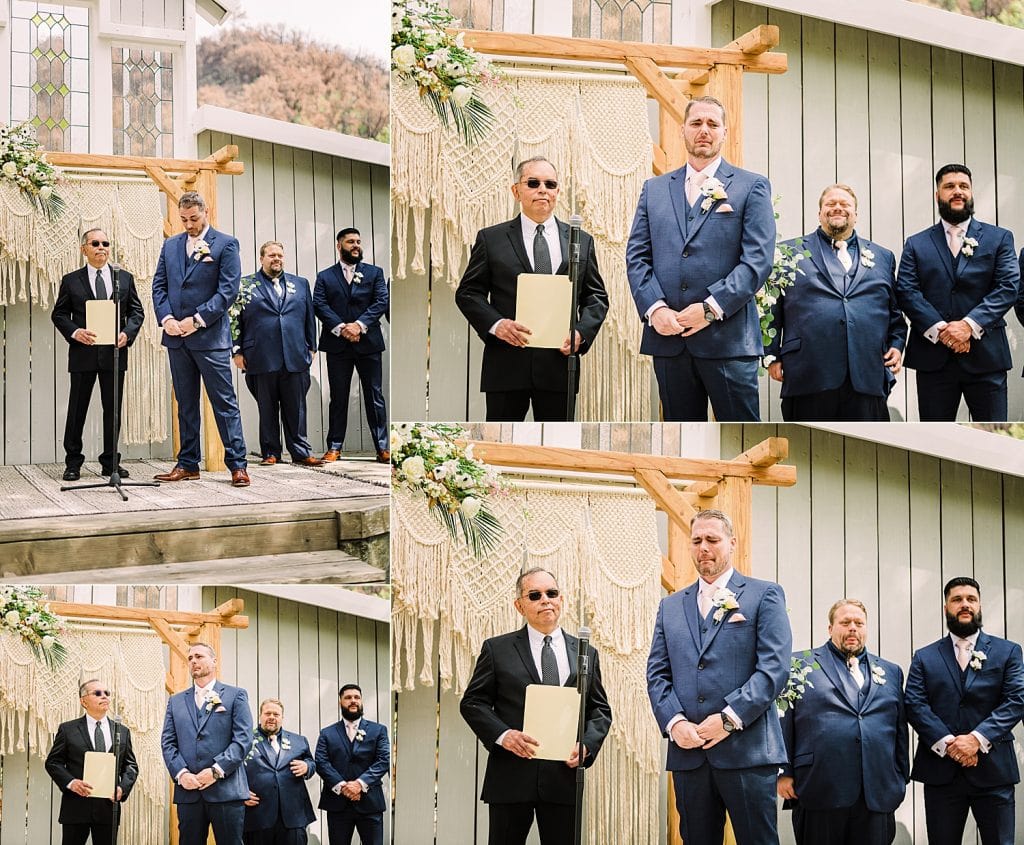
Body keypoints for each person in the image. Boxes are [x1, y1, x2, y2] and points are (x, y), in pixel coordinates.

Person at [646, 508, 790, 845]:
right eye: (696, 540)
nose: (703, 547)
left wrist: (728, 719)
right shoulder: (670, 606)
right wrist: (675, 723)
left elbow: (774, 668)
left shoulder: (763, 595)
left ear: (732, 543)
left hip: (748, 752)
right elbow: (657, 672)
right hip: (690, 753)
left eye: (712, 539)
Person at [626, 96, 775, 421]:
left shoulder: (751, 187)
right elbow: (637, 255)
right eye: (696, 123)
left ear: (724, 132)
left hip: (729, 341)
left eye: (712, 124)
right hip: (668, 337)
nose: (703, 130)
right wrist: (656, 309)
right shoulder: (654, 189)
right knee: (679, 429)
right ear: (683, 130)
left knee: (741, 433)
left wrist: (710, 308)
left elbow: (757, 261)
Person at [460, 567, 613, 844]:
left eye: (551, 593)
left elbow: (599, 710)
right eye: (535, 595)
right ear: (520, 605)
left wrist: (587, 745)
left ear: (561, 599)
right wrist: (504, 736)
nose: (545, 600)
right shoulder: (497, 649)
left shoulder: (585, 652)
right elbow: (472, 702)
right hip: (510, 777)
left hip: (563, 780)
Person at [454, 156, 609, 421]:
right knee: (501, 442)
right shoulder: (490, 239)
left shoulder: (581, 241)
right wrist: (496, 325)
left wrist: (582, 334)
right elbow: (468, 293)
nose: (542, 190)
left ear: (558, 192)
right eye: (533, 183)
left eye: (550, 184)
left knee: (556, 444)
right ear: (516, 191)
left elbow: (596, 296)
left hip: (559, 368)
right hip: (506, 365)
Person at [765, 185, 907, 421]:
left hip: (867, 373)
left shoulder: (883, 257)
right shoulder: (788, 252)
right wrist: (772, 355)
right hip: (808, 373)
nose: (837, 208)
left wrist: (897, 344)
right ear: (820, 213)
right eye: (830, 204)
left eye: (845, 204)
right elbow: (772, 308)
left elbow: (894, 314)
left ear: (856, 214)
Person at [777, 599, 909, 845]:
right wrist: (784, 772)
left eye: (859, 623)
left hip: (876, 792)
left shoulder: (891, 671)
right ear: (830, 628)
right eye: (845, 622)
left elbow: (900, 728)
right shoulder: (800, 664)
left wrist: (900, 778)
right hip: (819, 788)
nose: (852, 628)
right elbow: (783, 721)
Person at [905, 576, 1024, 845]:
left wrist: (976, 740)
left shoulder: (1008, 652)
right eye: (957, 599)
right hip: (941, 773)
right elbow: (914, 704)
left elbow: (1016, 700)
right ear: (946, 607)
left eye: (971, 599)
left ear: (980, 605)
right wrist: (951, 745)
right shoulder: (925, 656)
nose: (965, 604)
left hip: (993, 770)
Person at [895, 164, 1019, 421]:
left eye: (963, 186)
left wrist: (968, 326)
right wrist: (943, 330)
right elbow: (907, 290)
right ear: (937, 194)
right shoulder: (916, 243)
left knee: (993, 434)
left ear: (971, 192)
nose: (957, 191)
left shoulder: (1000, 238)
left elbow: (1007, 286)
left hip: (986, 358)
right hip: (933, 360)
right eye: (949, 186)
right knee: (933, 436)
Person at [151, 191, 250, 486]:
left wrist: (196, 321)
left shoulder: (226, 244)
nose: (189, 224)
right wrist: (167, 319)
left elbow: (228, 291)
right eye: (183, 219)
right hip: (176, 339)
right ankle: (187, 463)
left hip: (209, 338)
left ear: (205, 212)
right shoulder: (170, 245)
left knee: (224, 403)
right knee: (186, 403)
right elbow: (159, 285)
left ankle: (238, 465)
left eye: (194, 218)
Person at [51, 229, 145, 481]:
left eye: (105, 243)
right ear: (84, 249)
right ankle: (73, 463)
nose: (101, 247)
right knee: (77, 410)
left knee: (112, 410)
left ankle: (110, 463)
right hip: (83, 353)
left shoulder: (123, 278)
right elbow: (58, 314)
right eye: (95, 243)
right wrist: (74, 332)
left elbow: (137, 312)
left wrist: (128, 333)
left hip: (114, 354)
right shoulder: (71, 280)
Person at [231, 241, 323, 467]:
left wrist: (311, 347)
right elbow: (234, 320)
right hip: (260, 356)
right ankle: (270, 452)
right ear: (261, 258)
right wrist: (237, 350)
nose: (277, 259)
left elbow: (309, 317)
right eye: (271, 255)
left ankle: (301, 452)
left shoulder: (300, 284)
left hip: (295, 355)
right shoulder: (245, 285)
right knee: (267, 406)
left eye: (280, 255)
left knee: (296, 408)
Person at [161, 643, 253, 845]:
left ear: (214, 661)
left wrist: (216, 770)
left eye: (199, 656)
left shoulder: (235, 695)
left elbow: (243, 740)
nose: (193, 661)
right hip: (189, 792)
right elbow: (168, 742)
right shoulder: (175, 701)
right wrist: (181, 774)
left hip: (226, 790)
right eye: (190, 658)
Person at [313, 228, 389, 463]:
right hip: (338, 345)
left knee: (374, 396)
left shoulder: (374, 273)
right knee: (338, 396)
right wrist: (342, 328)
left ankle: (383, 447)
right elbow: (320, 304)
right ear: (339, 246)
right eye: (350, 242)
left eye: (358, 241)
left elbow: (381, 301)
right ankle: (334, 446)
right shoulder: (325, 276)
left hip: (368, 343)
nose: (356, 245)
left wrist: (359, 325)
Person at [44, 679, 139, 845]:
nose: (104, 697)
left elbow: (130, 766)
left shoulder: (122, 731)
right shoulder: (68, 729)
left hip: (108, 809)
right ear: (83, 701)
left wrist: (122, 789)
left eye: (107, 693)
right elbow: (53, 762)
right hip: (75, 808)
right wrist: (71, 782)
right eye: (97, 693)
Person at [315, 684, 390, 845]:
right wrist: (343, 787)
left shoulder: (379, 730)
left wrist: (359, 784)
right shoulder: (327, 733)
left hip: (370, 802)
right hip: (337, 805)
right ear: (340, 702)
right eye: (348, 698)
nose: (353, 701)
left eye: (357, 697)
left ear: (361, 701)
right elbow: (321, 762)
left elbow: (383, 760)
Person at [243, 698, 317, 845]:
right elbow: (232, 770)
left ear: (282, 718)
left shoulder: (299, 741)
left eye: (276, 714)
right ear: (260, 716)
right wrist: (240, 792)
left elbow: (312, 763)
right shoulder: (245, 740)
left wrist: (307, 766)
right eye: (267, 713)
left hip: (293, 816)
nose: (271, 717)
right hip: (257, 815)